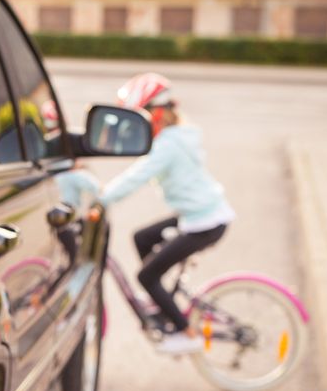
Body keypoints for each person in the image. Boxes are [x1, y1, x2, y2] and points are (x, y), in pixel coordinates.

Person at [99, 72, 235, 355]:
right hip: (201, 213)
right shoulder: (178, 135)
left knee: (146, 276)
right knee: (141, 238)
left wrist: (100, 199)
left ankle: (187, 333)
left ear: (157, 114)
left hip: (205, 223)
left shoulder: (168, 145)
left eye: (139, 118)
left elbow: (136, 176)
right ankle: (160, 299)